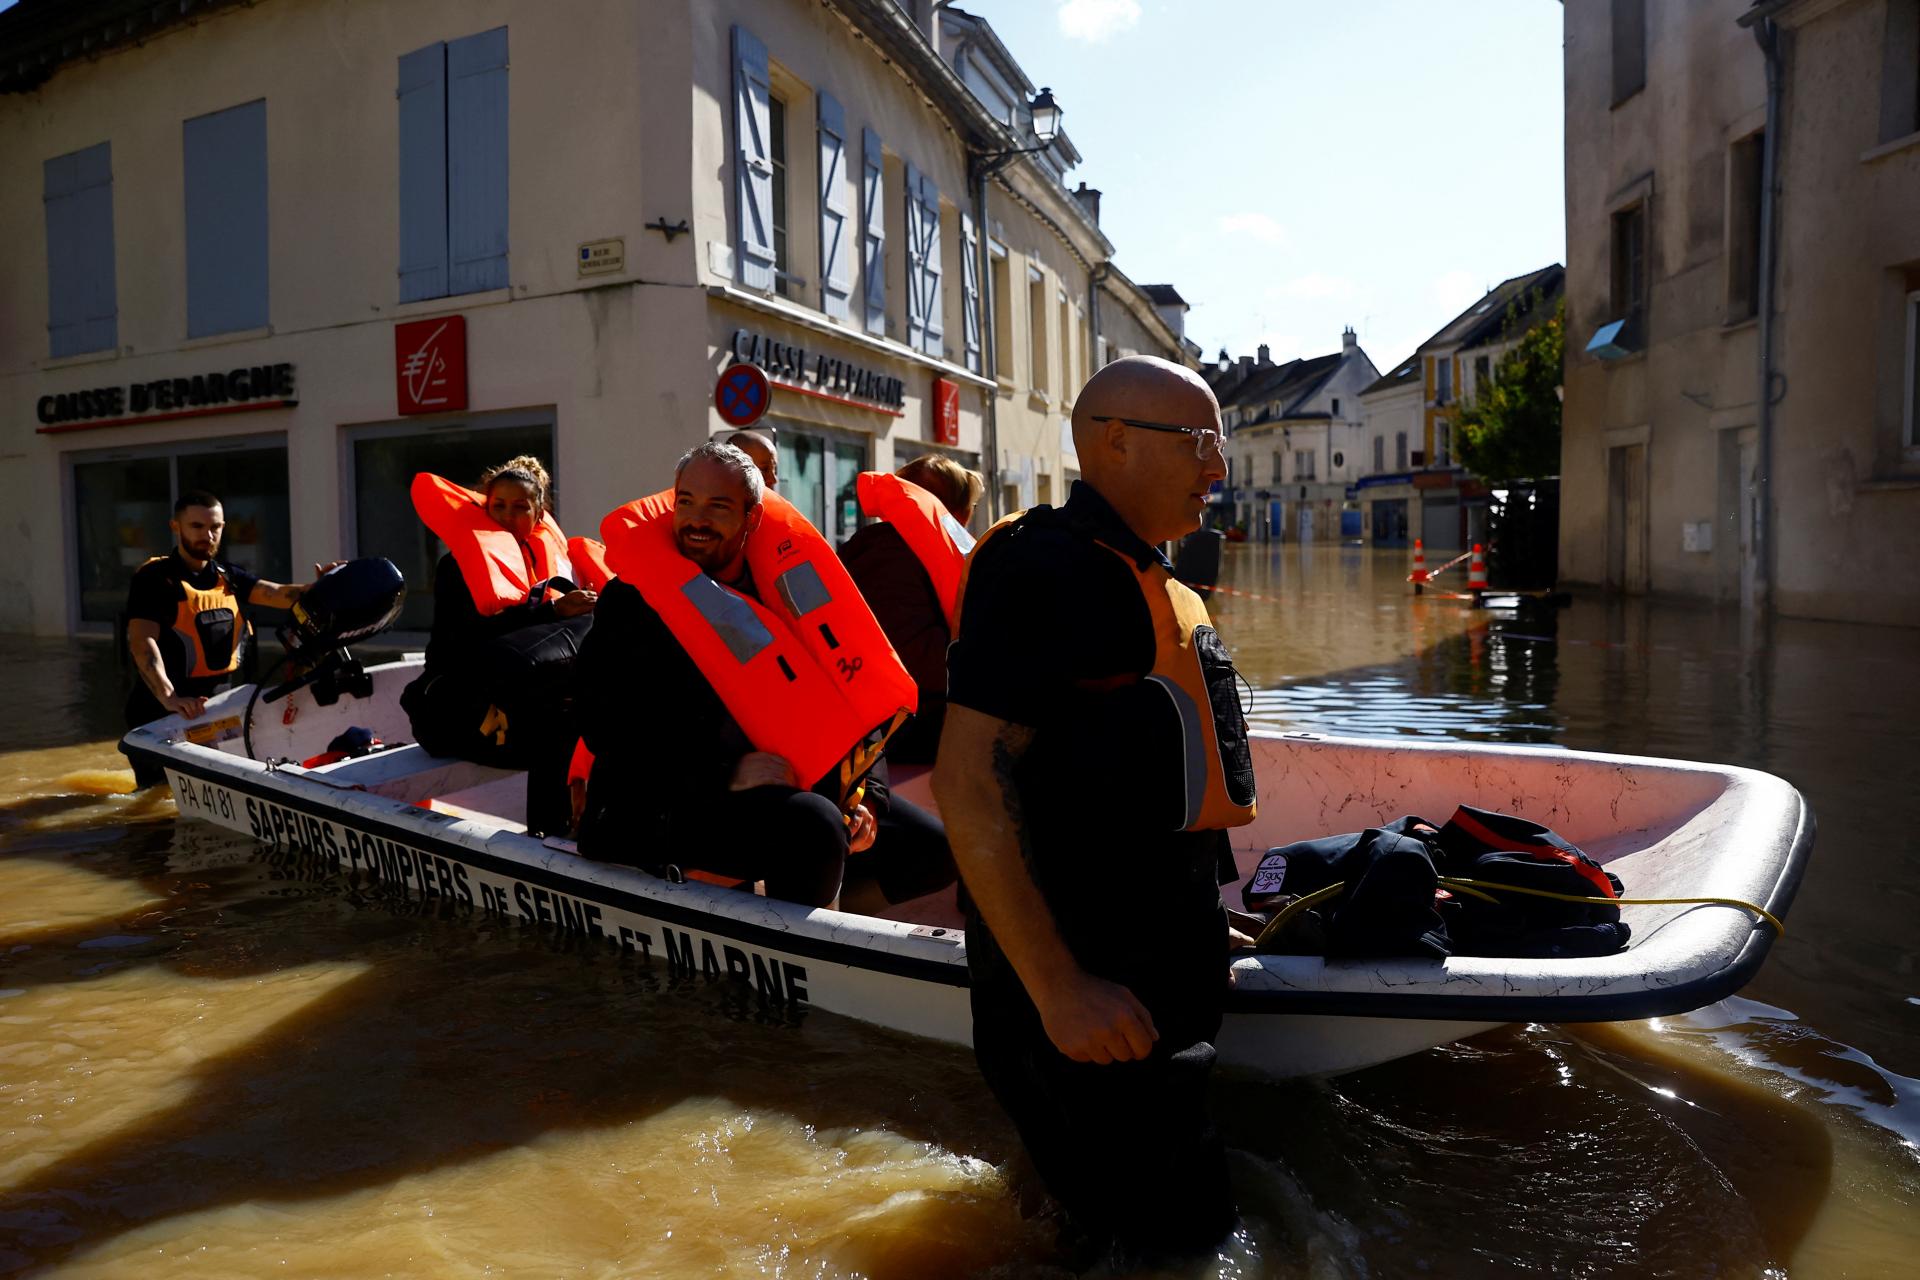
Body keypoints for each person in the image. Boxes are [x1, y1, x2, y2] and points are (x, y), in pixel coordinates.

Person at [931, 356, 1259, 1265]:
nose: (1216, 469)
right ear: (1114, 441)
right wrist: (1057, 989)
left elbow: (1154, 775)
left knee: (1087, 1227)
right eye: (1199, 444)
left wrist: (1205, 920)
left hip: (1149, 966)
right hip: (1090, 988)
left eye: (1219, 445)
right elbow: (968, 779)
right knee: (1180, 1246)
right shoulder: (1049, 570)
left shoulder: (1142, 575)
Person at [576, 441, 954, 912]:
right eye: (687, 502)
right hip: (663, 797)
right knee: (813, 823)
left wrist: (867, 798)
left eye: (718, 506)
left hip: (786, 785)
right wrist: (726, 772)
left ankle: (837, 927)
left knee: (934, 847)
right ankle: (799, 955)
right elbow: (603, 721)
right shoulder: (632, 599)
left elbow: (856, 698)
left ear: (752, 518)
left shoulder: (787, 587)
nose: (696, 520)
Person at [400, 456, 596, 836]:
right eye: (498, 506)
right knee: (555, 733)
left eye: (520, 507)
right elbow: (466, 643)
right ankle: (545, 843)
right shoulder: (457, 567)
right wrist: (553, 612)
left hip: (514, 700)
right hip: (452, 709)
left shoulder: (554, 567)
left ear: (539, 516)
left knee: (589, 718)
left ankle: (585, 829)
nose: (507, 515)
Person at [122, 489, 340, 781]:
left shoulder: (229, 576)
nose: (208, 536)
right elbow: (141, 642)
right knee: (157, 807)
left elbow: (276, 593)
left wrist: (327, 586)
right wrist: (170, 697)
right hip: (159, 714)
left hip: (214, 712)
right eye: (197, 527)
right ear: (176, 527)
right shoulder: (154, 579)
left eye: (215, 527)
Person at [839, 454, 982, 764]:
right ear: (959, 515)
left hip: (903, 726)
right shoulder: (888, 554)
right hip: (908, 734)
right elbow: (915, 655)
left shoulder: (879, 547)